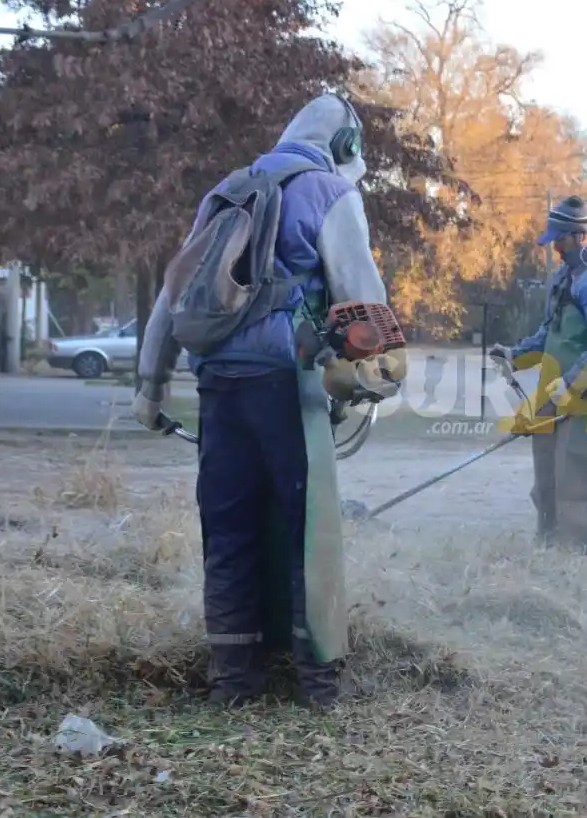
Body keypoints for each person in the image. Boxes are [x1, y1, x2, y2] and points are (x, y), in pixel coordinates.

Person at [133, 93, 406, 709]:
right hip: (290, 387)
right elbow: (363, 294)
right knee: (309, 534)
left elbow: (171, 299)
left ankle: (235, 680)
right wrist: (383, 371)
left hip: (219, 391)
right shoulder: (331, 194)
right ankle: (316, 684)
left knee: (228, 530)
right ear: (344, 148)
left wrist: (149, 389)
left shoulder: (224, 191)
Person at [490, 196, 587, 559]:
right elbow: (549, 332)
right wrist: (515, 355)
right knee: (550, 477)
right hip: (556, 392)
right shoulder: (565, 275)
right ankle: (554, 545)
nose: (554, 245)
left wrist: (571, 385)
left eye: (560, 238)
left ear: (581, 236)